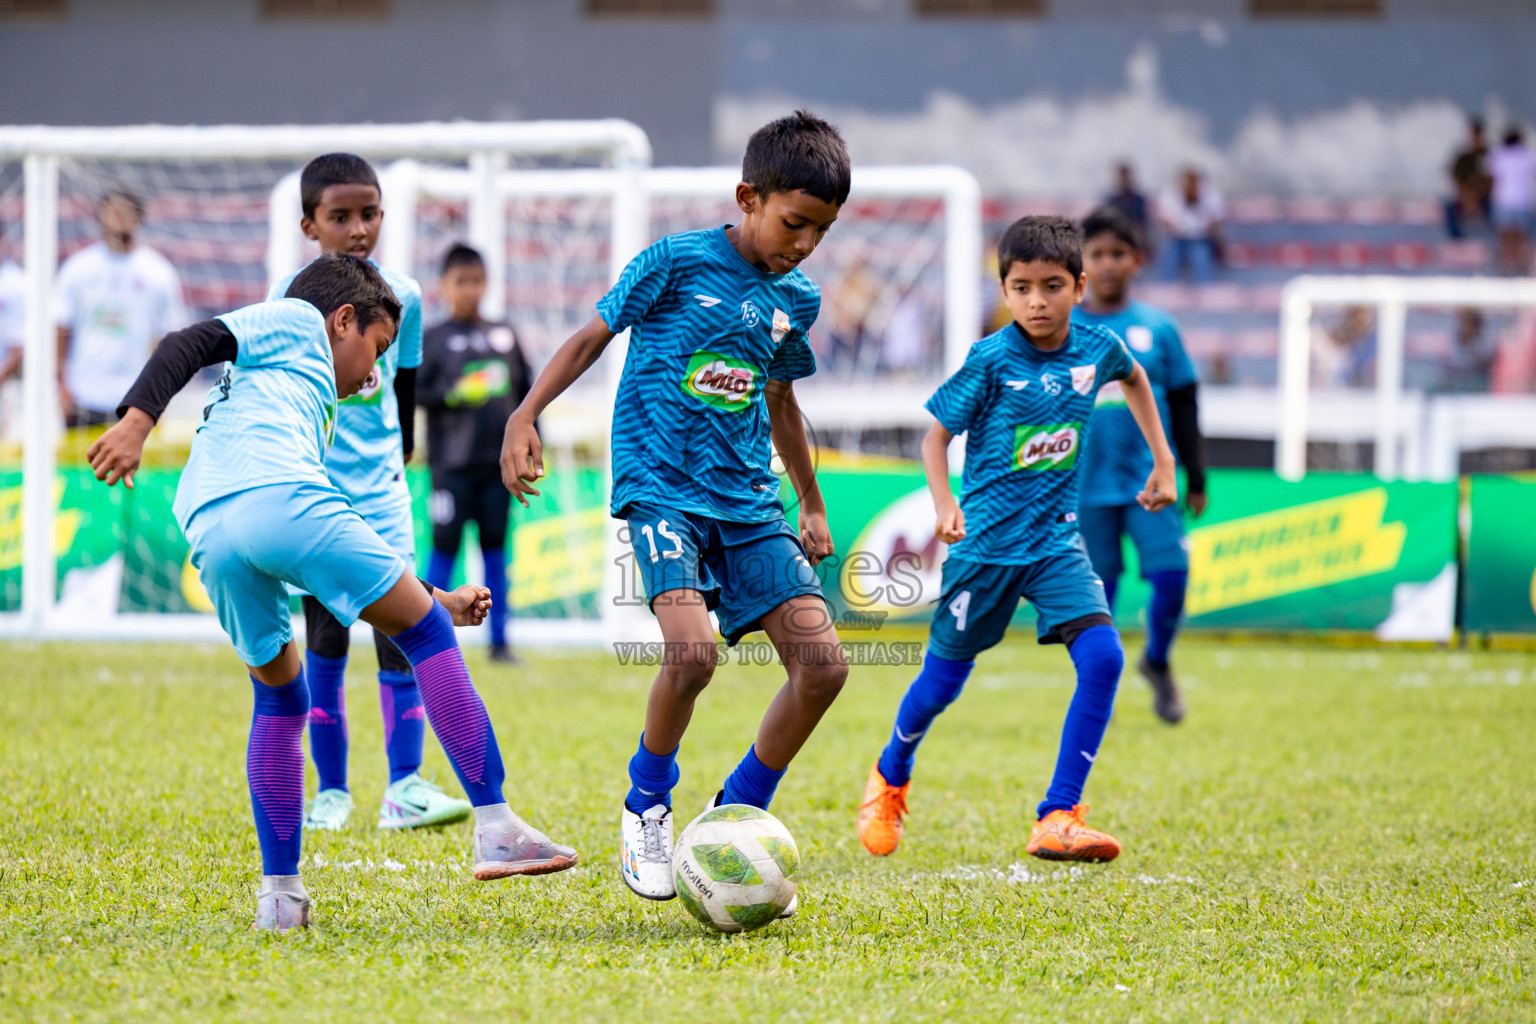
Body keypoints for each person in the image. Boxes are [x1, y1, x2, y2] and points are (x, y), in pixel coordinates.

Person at [85, 254, 578, 931]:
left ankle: (281, 898)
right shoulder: (295, 320)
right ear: (343, 320)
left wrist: (428, 590)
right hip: (275, 497)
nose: (375, 371)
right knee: (425, 635)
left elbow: (323, 549)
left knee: (282, 694)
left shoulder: (289, 395)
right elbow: (187, 342)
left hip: (209, 522)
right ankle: (496, 826)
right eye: (375, 349)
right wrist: (137, 422)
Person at [501, 109, 851, 907]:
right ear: (748, 197)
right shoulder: (674, 263)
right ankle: (646, 803)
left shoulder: (796, 297)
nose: (803, 245)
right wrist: (527, 414)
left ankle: (736, 812)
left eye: (821, 233)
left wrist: (811, 502)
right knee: (693, 654)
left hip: (751, 502)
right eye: (794, 223)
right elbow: (591, 337)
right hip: (663, 488)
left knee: (824, 668)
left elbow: (781, 400)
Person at [857, 215, 1178, 864]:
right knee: (941, 685)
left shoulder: (1097, 348)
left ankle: (1059, 814)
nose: (1037, 300)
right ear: (1004, 291)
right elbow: (934, 437)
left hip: (1057, 545)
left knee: (1105, 658)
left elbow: (1137, 378)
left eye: (1052, 286)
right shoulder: (991, 360)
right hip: (984, 553)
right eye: (1022, 287)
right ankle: (890, 773)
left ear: (1080, 287)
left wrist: (1163, 461)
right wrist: (946, 504)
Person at [265, 154, 461, 835]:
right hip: (315, 498)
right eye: (340, 216)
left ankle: (404, 787)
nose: (358, 228)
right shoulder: (289, 302)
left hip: (382, 497)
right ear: (308, 225)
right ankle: (332, 792)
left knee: (402, 637)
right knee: (324, 640)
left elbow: (403, 389)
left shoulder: (399, 293)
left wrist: (402, 454)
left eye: (369, 214)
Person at [1073, 207, 1205, 724]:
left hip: (1152, 481)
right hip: (1084, 484)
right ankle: (1096, 685)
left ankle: (1157, 660)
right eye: (1097, 254)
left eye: (1117, 255)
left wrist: (1196, 473)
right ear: (1081, 263)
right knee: (1096, 592)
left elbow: (1188, 400)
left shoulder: (1159, 329)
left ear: (1137, 261)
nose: (1107, 265)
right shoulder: (1062, 327)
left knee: (1172, 576)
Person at [419, 243, 533, 664]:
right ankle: (424, 634)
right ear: (444, 286)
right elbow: (416, 393)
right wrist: (453, 393)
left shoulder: (503, 335)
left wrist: (532, 445)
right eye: (460, 282)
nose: (469, 290)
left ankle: (500, 642)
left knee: (496, 551)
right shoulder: (433, 339)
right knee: (443, 548)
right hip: (450, 470)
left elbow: (527, 396)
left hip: (497, 469)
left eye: (476, 281)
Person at [54, 191, 187, 428]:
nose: (118, 218)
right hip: (84, 394)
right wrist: (61, 385)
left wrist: (160, 392)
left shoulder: (158, 272)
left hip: (137, 398)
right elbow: (61, 327)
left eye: (125, 212)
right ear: (100, 217)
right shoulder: (79, 268)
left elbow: (166, 338)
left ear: (139, 218)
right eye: (113, 212)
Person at [1156, 168, 1224, 284]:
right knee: (1168, 257)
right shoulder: (1170, 194)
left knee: (1202, 260)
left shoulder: (1209, 194)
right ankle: (1165, 291)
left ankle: (1205, 292)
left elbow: (1217, 219)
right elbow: (1163, 220)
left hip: (1201, 239)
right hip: (1175, 239)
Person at [1489, 127, 1536, 272]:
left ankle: (1505, 266)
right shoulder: (1526, 155)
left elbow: (1489, 175)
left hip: (1502, 202)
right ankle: (1520, 265)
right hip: (1522, 203)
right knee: (1520, 237)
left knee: (1505, 237)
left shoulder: (1497, 155)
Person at [1446, 117, 1491, 239]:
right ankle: (1458, 242)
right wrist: (1467, 196)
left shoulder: (1489, 154)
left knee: (1496, 210)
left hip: (1484, 198)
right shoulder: (1464, 157)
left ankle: (1494, 242)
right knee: (1449, 207)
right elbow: (1457, 179)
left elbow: (1491, 181)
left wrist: (1477, 195)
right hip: (1467, 196)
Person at [1104, 162, 1151, 251]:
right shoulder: (1112, 200)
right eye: (1121, 177)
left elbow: (1142, 222)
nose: (1124, 180)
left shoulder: (1139, 199)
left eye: (1126, 177)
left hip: (1134, 236)